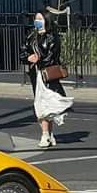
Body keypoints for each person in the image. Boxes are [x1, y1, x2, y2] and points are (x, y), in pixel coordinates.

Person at [23, 8, 72, 148]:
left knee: (47, 105)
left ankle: (46, 135)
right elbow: (23, 51)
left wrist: (38, 59)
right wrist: (28, 57)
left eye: (40, 19)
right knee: (40, 105)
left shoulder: (52, 37)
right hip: (36, 75)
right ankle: (48, 134)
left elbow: (51, 57)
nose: (37, 22)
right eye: (36, 19)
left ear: (46, 21)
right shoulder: (31, 36)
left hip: (48, 75)